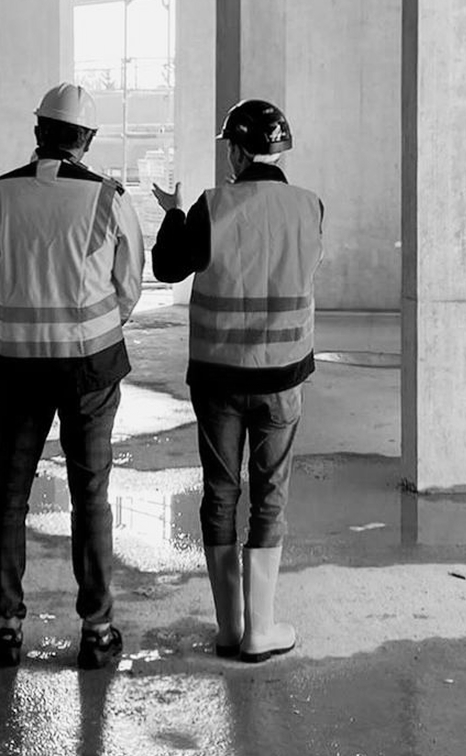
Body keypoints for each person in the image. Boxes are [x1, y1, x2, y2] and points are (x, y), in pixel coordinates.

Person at [0, 82, 144, 671]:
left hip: (15, 362)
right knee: (90, 493)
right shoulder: (107, 197)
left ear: (38, 130)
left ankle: (6, 628)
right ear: (86, 140)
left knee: (9, 495)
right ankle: (96, 630)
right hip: (89, 364)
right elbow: (128, 288)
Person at [151, 99, 323, 663]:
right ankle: (262, 629)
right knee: (269, 496)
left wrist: (175, 214)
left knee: (221, 495)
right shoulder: (310, 207)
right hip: (282, 380)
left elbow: (168, 268)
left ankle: (229, 628)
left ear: (237, 150)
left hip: (219, 379)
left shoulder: (211, 207)